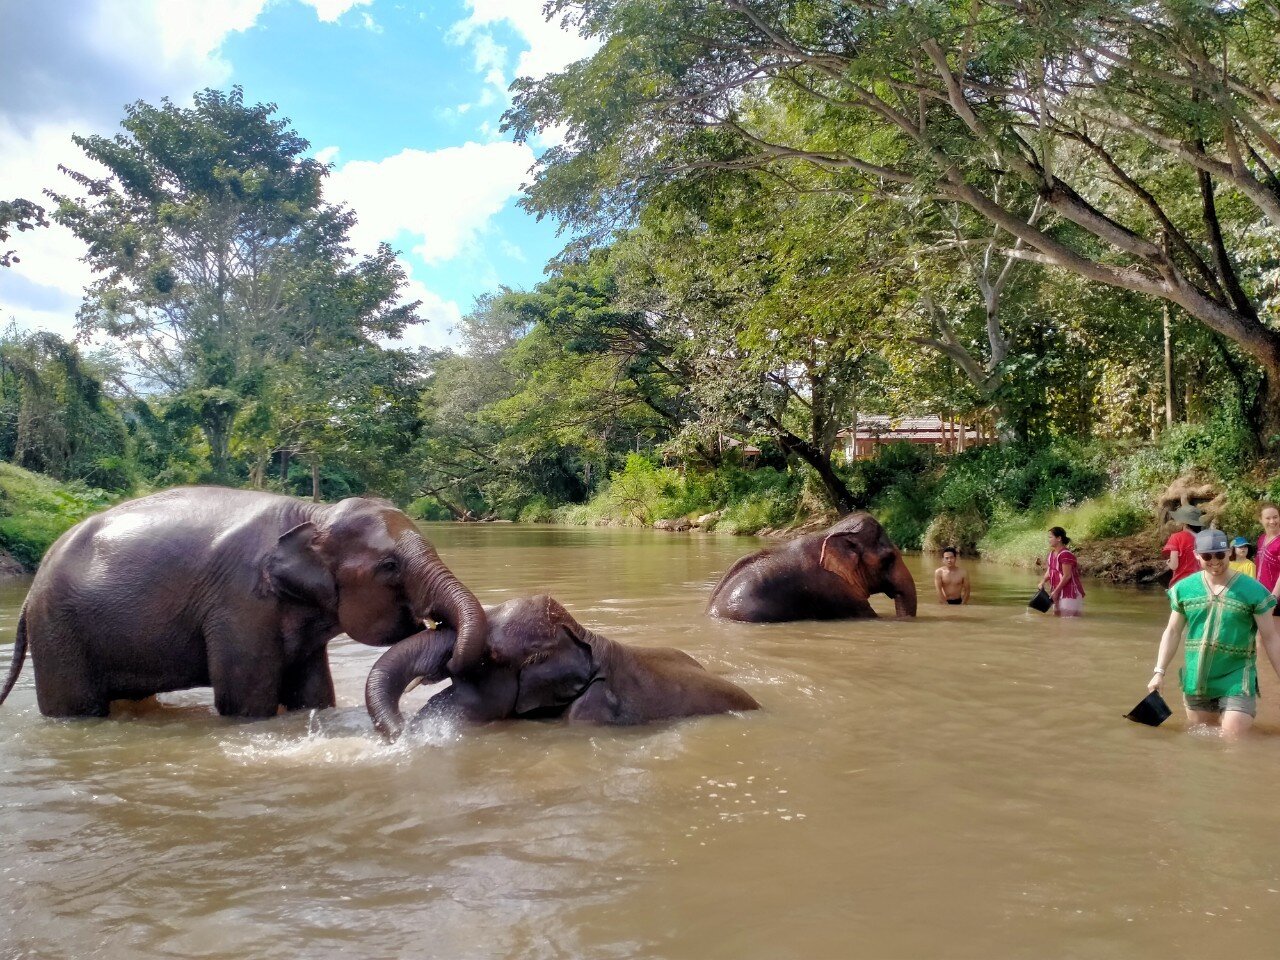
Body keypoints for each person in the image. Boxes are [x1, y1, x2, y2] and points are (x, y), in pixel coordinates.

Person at [1149, 528, 1280, 738]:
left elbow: (1271, 637)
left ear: (1229, 552)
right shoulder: (1184, 589)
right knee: (1203, 739)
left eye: (1219, 555)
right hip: (1197, 676)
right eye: (1207, 556)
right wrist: (1159, 672)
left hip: (1237, 677)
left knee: (1234, 736)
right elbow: (1173, 631)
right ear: (1196, 555)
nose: (1214, 561)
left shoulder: (1253, 590)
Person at [1037, 526, 1083, 617]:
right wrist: (1042, 582)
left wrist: (1056, 591)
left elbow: (1067, 576)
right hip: (1056, 590)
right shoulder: (1051, 554)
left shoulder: (1065, 554)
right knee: (1057, 616)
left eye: (1050, 537)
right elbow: (1050, 571)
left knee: (1068, 619)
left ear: (1059, 538)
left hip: (1069, 592)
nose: (1048, 540)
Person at [1162, 504, 1204, 588]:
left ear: (1184, 522)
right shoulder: (1203, 539)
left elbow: (1174, 566)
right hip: (1199, 583)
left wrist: (1168, 562)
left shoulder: (1176, 537)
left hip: (1180, 584)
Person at [1255, 503, 1280, 613]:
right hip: (1262, 595)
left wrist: (1273, 598)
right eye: (1268, 518)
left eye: (1275, 517)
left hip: (1276, 597)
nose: (1272, 521)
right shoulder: (1261, 539)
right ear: (1260, 519)